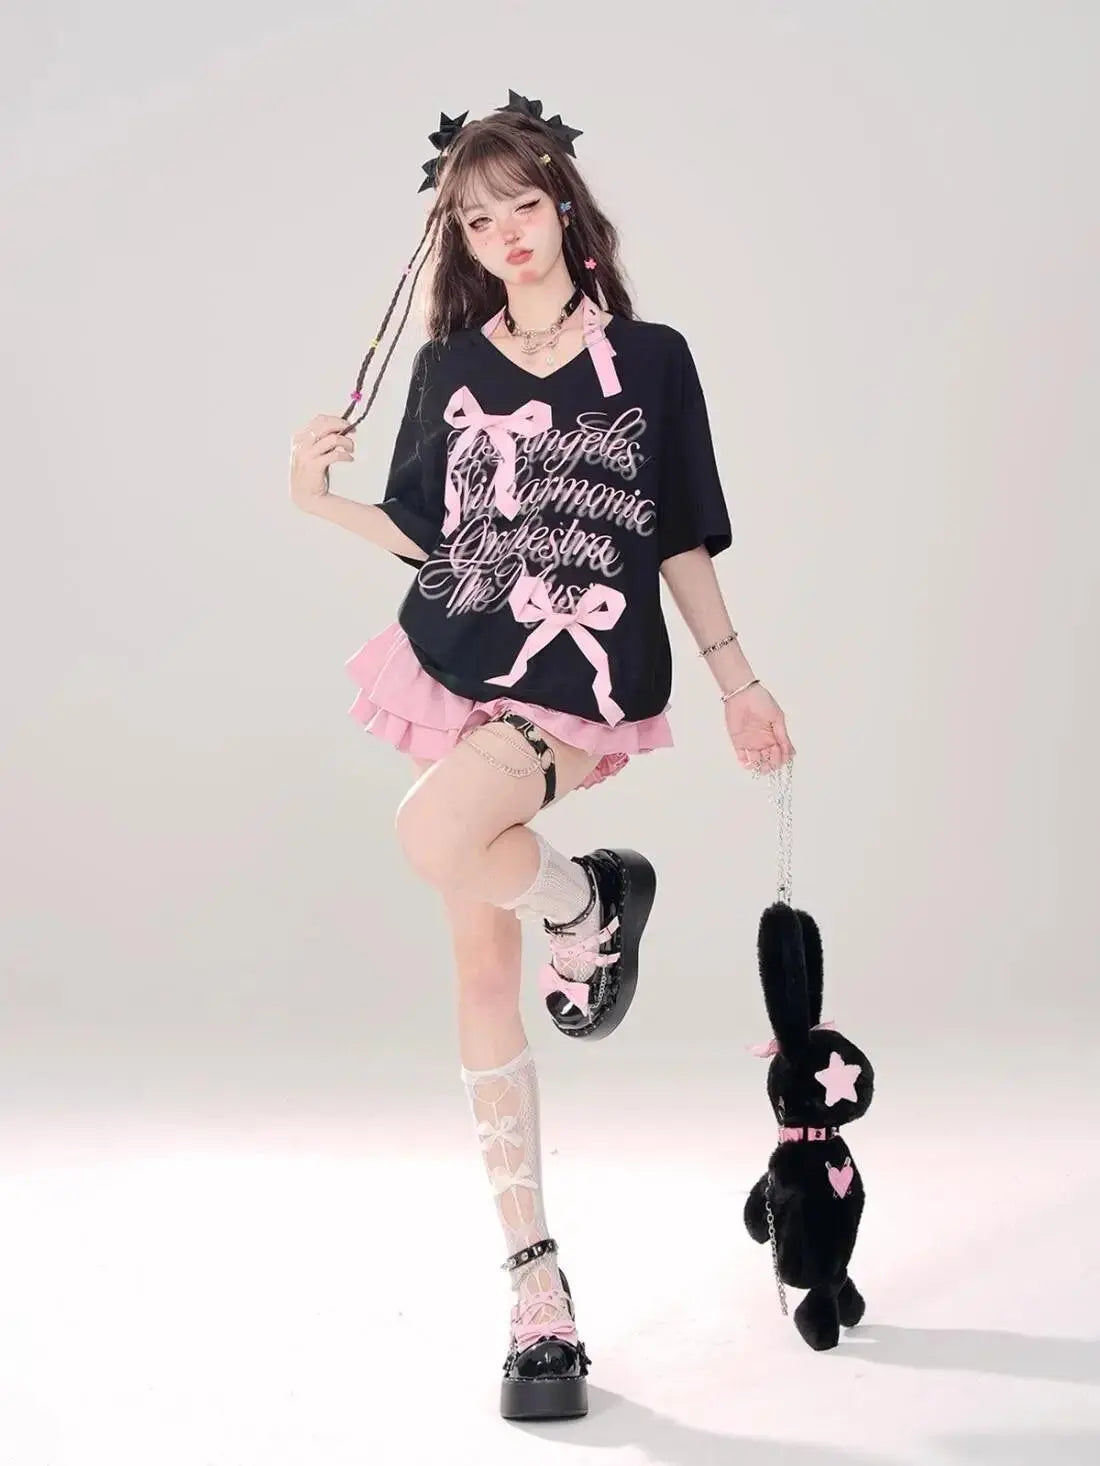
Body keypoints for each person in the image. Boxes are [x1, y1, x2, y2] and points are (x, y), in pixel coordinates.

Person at [288, 91, 795, 1422]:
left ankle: (586, 905)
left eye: (521, 203)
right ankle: (537, 1292)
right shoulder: (449, 369)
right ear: (456, 238)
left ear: (564, 206)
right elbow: (433, 533)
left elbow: (677, 534)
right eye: (475, 217)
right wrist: (318, 502)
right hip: (457, 661)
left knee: (432, 832)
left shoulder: (653, 362)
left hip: (577, 681)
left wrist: (738, 681)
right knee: (477, 972)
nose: (503, 232)